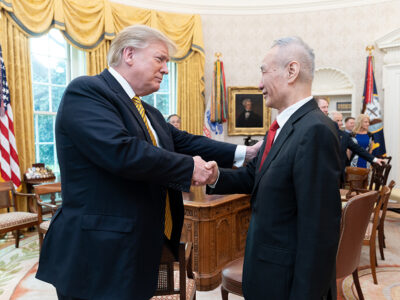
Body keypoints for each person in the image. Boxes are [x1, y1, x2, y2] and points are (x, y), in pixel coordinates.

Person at [35, 25, 261, 300]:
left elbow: (186, 141)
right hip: (97, 252)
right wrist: (190, 168)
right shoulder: (87, 92)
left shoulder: (147, 111)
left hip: (138, 245)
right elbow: (122, 152)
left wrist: (244, 154)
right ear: (129, 54)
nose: (166, 69)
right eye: (160, 59)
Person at [207, 37, 341, 299]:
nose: (259, 84)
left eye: (263, 71)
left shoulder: (315, 130)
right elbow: (253, 177)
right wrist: (215, 176)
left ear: (291, 71)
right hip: (267, 272)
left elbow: (319, 233)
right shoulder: (280, 128)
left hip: (287, 282)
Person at [329, 111, 383, 183]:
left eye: (341, 120)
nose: (341, 123)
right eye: (337, 120)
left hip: (361, 162)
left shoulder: (345, 136)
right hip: (334, 168)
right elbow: (348, 152)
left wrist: (374, 159)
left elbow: (361, 149)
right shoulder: (351, 135)